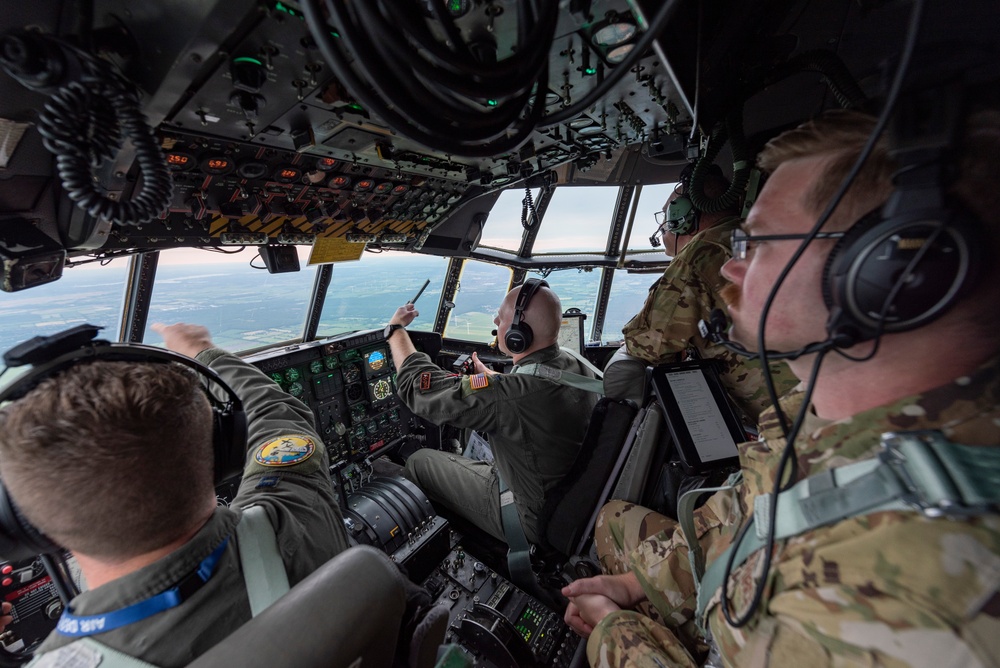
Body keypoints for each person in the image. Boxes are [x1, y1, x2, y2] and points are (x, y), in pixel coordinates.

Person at [561, 107, 1000, 667]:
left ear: (887, 275)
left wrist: (615, 633)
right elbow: (746, 509)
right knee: (612, 526)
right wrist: (638, 586)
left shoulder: (908, 604)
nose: (729, 270)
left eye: (759, 243)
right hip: (734, 586)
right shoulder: (811, 412)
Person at [0, 323, 350, 666]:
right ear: (220, 455)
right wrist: (201, 348)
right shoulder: (297, 513)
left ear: (22, 520)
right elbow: (277, 415)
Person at [386, 281, 600, 546]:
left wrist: (396, 330)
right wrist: (492, 379)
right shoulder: (575, 363)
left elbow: (418, 389)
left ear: (518, 334)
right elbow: (529, 390)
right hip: (570, 499)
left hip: (532, 517)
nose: (496, 318)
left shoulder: (510, 394)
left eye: (502, 316)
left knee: (420, 461)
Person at [618, 165, 797, 422]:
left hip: (780, 420)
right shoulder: (770, 232)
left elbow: (649, 345)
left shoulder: (701, 253)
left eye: (668, 216)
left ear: (682, 217)